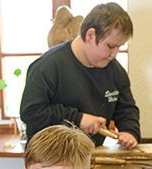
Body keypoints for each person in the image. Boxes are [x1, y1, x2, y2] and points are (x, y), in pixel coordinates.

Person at [20, 2, 140, 149]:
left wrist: (129, 132)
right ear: (90, 35)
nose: (114, 54)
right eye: (111, 46)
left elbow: (126, 109)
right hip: (50, 160)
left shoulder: (114, 69)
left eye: (119, 47)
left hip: (90, 156)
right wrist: (78, 119)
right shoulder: (47, 66)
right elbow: (31, 112)